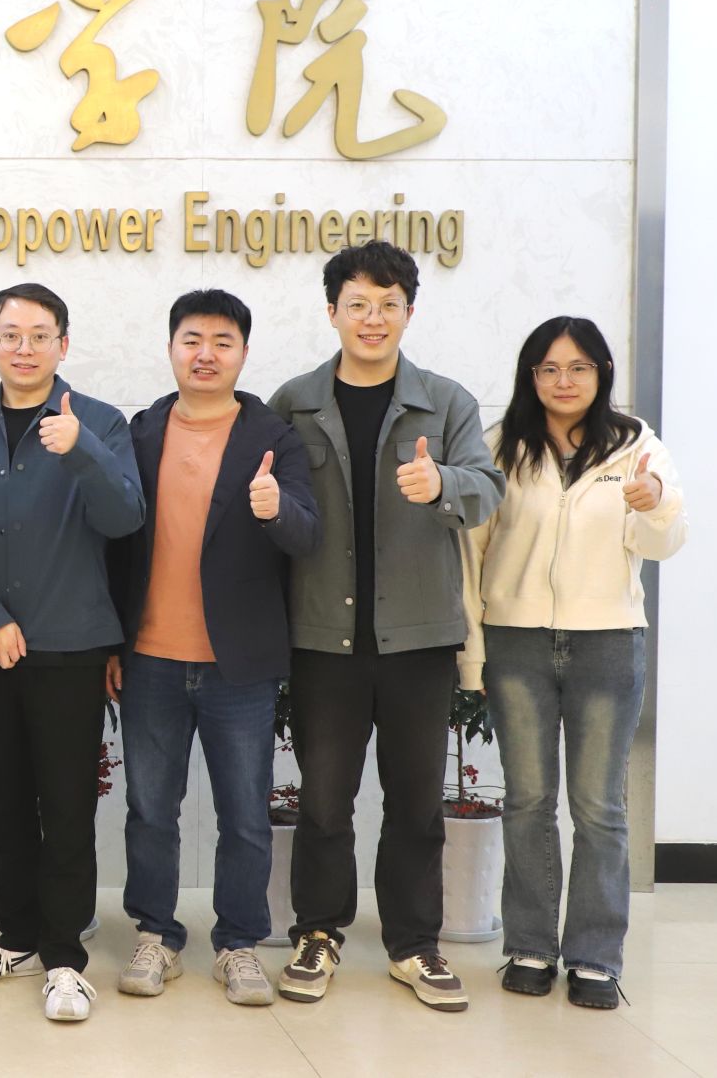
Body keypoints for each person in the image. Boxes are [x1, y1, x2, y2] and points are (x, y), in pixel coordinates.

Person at [267, 241, 505, 1012]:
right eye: (358, 305)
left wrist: (442, 483)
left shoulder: (446, 401)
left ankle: (414, 945)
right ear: (331, 311)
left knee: (415, 804)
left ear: (409, 311)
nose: (373, 319)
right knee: (323, 803)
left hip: (419, 639)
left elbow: (488, 488)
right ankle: (318, 933)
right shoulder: (294, 402)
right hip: (322, 640)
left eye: (388, 305)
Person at [0, 282, 145, 1023]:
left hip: (70, 650)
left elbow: (125, 518)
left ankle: (64, 961)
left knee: (67, 810)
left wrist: (80, 449)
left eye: (40, 335)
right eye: (11, 335)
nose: (25, 348)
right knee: (4, 807)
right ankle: (16, 938)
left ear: (64, 344)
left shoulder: (101, 423)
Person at [463, 317, 685, 1010]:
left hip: (608, 642)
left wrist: (655, 505)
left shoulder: (638, 445)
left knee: (599, 807)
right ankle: (530, 947)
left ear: (602, 373)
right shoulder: (501, 447)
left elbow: (666, 542)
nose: (565, 381)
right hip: (517, 642)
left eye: (579, 367)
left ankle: (594, 957)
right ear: (531, 376)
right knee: (528, 800)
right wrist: (473, 655)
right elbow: (471, 553)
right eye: (550, 368)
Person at [108, 289, 320, 1007]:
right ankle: (156, 935)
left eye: (222, 342)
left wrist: (276, 509)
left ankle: (239, 944)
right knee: (150, 810)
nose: (206, 354)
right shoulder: (140, 432)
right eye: (192, 340)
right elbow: (114, 547)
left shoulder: (274, 436)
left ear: (244, 353)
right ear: (171, 348)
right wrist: (112, 642)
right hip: (150, 657)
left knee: (246, 815)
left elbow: (308, 533)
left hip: (240, 663)